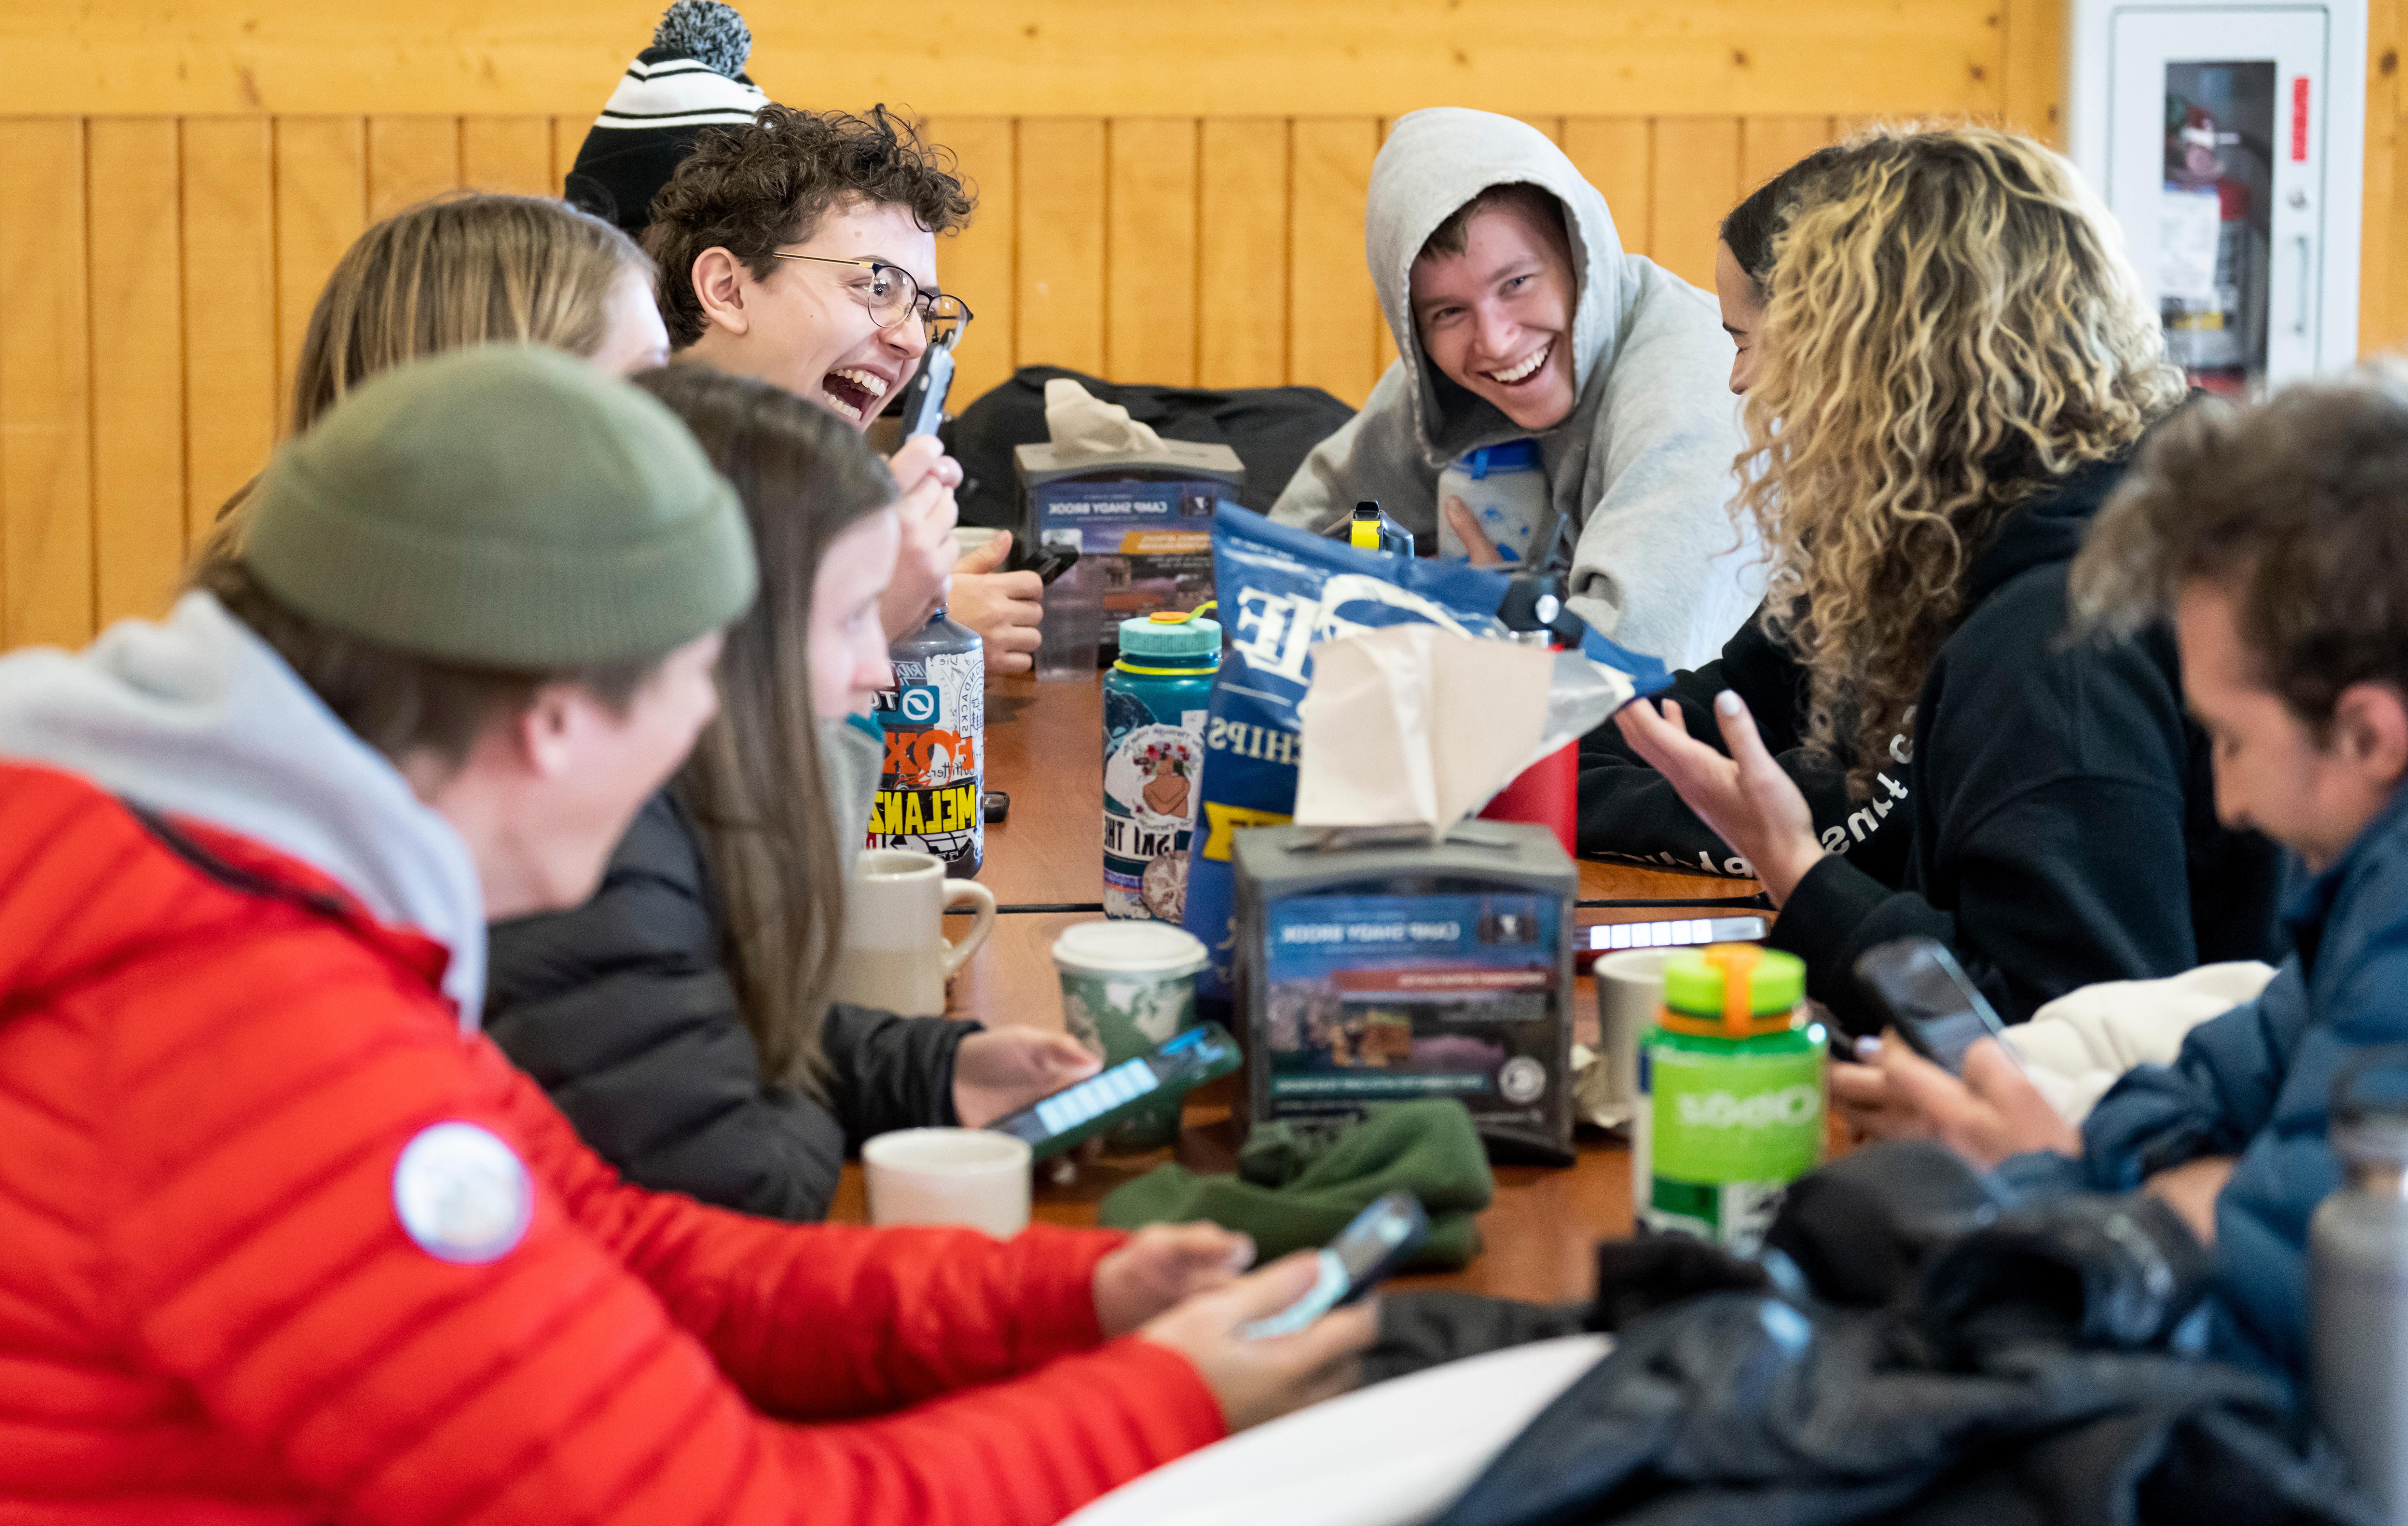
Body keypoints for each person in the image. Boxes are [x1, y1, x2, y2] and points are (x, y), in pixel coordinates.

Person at [0, 346, 1373, 1522]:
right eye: (686, 703)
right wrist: (1165, 1399)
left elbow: (620, 1244)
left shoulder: (219, 868)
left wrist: (1065, 1299)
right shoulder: (262, 1030)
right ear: (555, 713)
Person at [1612, 126, 2285, 1030]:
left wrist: (1800, 873)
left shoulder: (2053, 639)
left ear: (1876, 374)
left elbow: (2040, 1038)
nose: (1754, 392)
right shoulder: (2130, 511)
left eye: (1787, 351)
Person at [1827, 368, 2408, 1382]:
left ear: (2368, 734)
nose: (2225, 802)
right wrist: (2093, 1164)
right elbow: (2223, 1081)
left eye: (2226, 740)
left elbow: (2292, 1279)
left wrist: (2058, 1186)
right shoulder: (2363, 888)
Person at [485, 366, 1096, 1220]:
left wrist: (934, 1070)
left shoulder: (652, 803)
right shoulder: (604, 859)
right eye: (853, 618)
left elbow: (715, 1025)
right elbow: (751, 1177)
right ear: (735, 623)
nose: (877, 665)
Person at [1268, 107, 1761, 670]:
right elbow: (1282, 556)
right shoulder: (1450, 385)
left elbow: (1627, 687)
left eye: (1517, 283)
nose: (1497, 342)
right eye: (1449, 312)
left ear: (1582, 259)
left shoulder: (1695, 398)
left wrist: (1486, 625)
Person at [1574, 144, 1918, 882]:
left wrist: (1549, 793)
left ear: (1837, 334)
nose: (1738, 382)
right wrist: (1529, 747)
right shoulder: (1869, 513)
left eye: (1745, 342)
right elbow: (1730, 699)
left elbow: (1844, 818)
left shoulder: (1986, 536)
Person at [647, 102, 1046, 671]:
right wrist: (870, 625)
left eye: (925, 309)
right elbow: (683, 748)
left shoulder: (794, 495)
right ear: (729, 290)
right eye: (877, 286)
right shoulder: (628, 500)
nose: (913, 341)